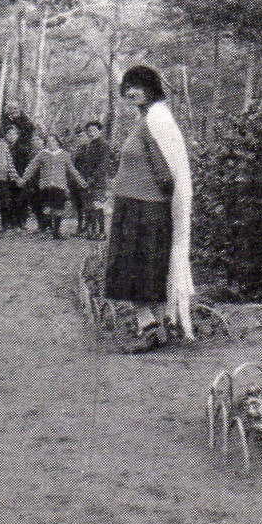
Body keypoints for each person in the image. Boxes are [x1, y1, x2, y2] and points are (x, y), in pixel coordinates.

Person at [104, 65, 195, 351]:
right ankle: (155, 329)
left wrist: (159, 207)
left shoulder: (156, 120)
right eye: (128, 86)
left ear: (151, 89)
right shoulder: (145, 120)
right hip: (133, 204)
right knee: (136, 272)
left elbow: (167, 173)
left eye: (138, 86)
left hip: (144, 208)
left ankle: (150, 328)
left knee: (137, 272)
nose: (131, 92)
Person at [20, 132, 87, 239]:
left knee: (58, 208)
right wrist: (23, 178)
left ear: (57, 142)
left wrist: (80, 180)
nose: (51, 143)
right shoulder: (42, 154)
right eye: (48, 141)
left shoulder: (64, 154)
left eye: (53, 141)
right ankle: (47, 230)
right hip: (46, 185)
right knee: (46, 207)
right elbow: (32, 167)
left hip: (59, 185)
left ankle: (56, 232)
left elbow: (72, 169)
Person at [71, 120, 114, 239]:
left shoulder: (104, 145)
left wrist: (93, 178)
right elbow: (85, 165)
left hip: (98, 180)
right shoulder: (89, 145)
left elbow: (103, 165)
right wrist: (83, 178)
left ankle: (101, 231)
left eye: (94, 130)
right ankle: (92, 231)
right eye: (89, 131)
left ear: (100, 131)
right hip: (87, 180)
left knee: (97, 204)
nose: (92, 133)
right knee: (89, 205)